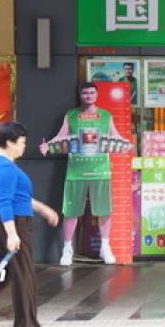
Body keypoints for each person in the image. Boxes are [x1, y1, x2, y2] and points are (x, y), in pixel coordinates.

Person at [0, 122, 59, 327]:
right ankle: (26, 326)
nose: (24, 147)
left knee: (0, 277)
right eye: (21, 143)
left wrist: (43, 209)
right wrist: (12, 233)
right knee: (23, 274)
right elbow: (5, 202)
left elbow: (19, 197)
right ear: (10, 143)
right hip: (11, 223)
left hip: (1, 222)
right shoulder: (5, 168)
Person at [39, 82, 130, 266]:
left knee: (104, 210)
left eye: (92, 93)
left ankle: (105, 247)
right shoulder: (71, 115)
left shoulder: (106, 116)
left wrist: (126, 143)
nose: (88, 96)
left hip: (100, 170)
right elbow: (61, 136)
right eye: (85, 93)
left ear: (97, 95)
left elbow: (116, 136)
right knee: (71, 211)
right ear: (81, 95)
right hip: (76, 171)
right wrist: (47, 145)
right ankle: (67, 249)